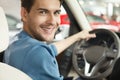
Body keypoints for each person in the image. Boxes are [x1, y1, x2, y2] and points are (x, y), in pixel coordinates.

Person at [4, 0, 96, 80]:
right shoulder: (40, 54)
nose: (52, 21)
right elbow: (42, 52)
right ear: (24, 13)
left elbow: (49, 49)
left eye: (56, 13)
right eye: (43, 12)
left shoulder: (17, 41)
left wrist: (78, 36)